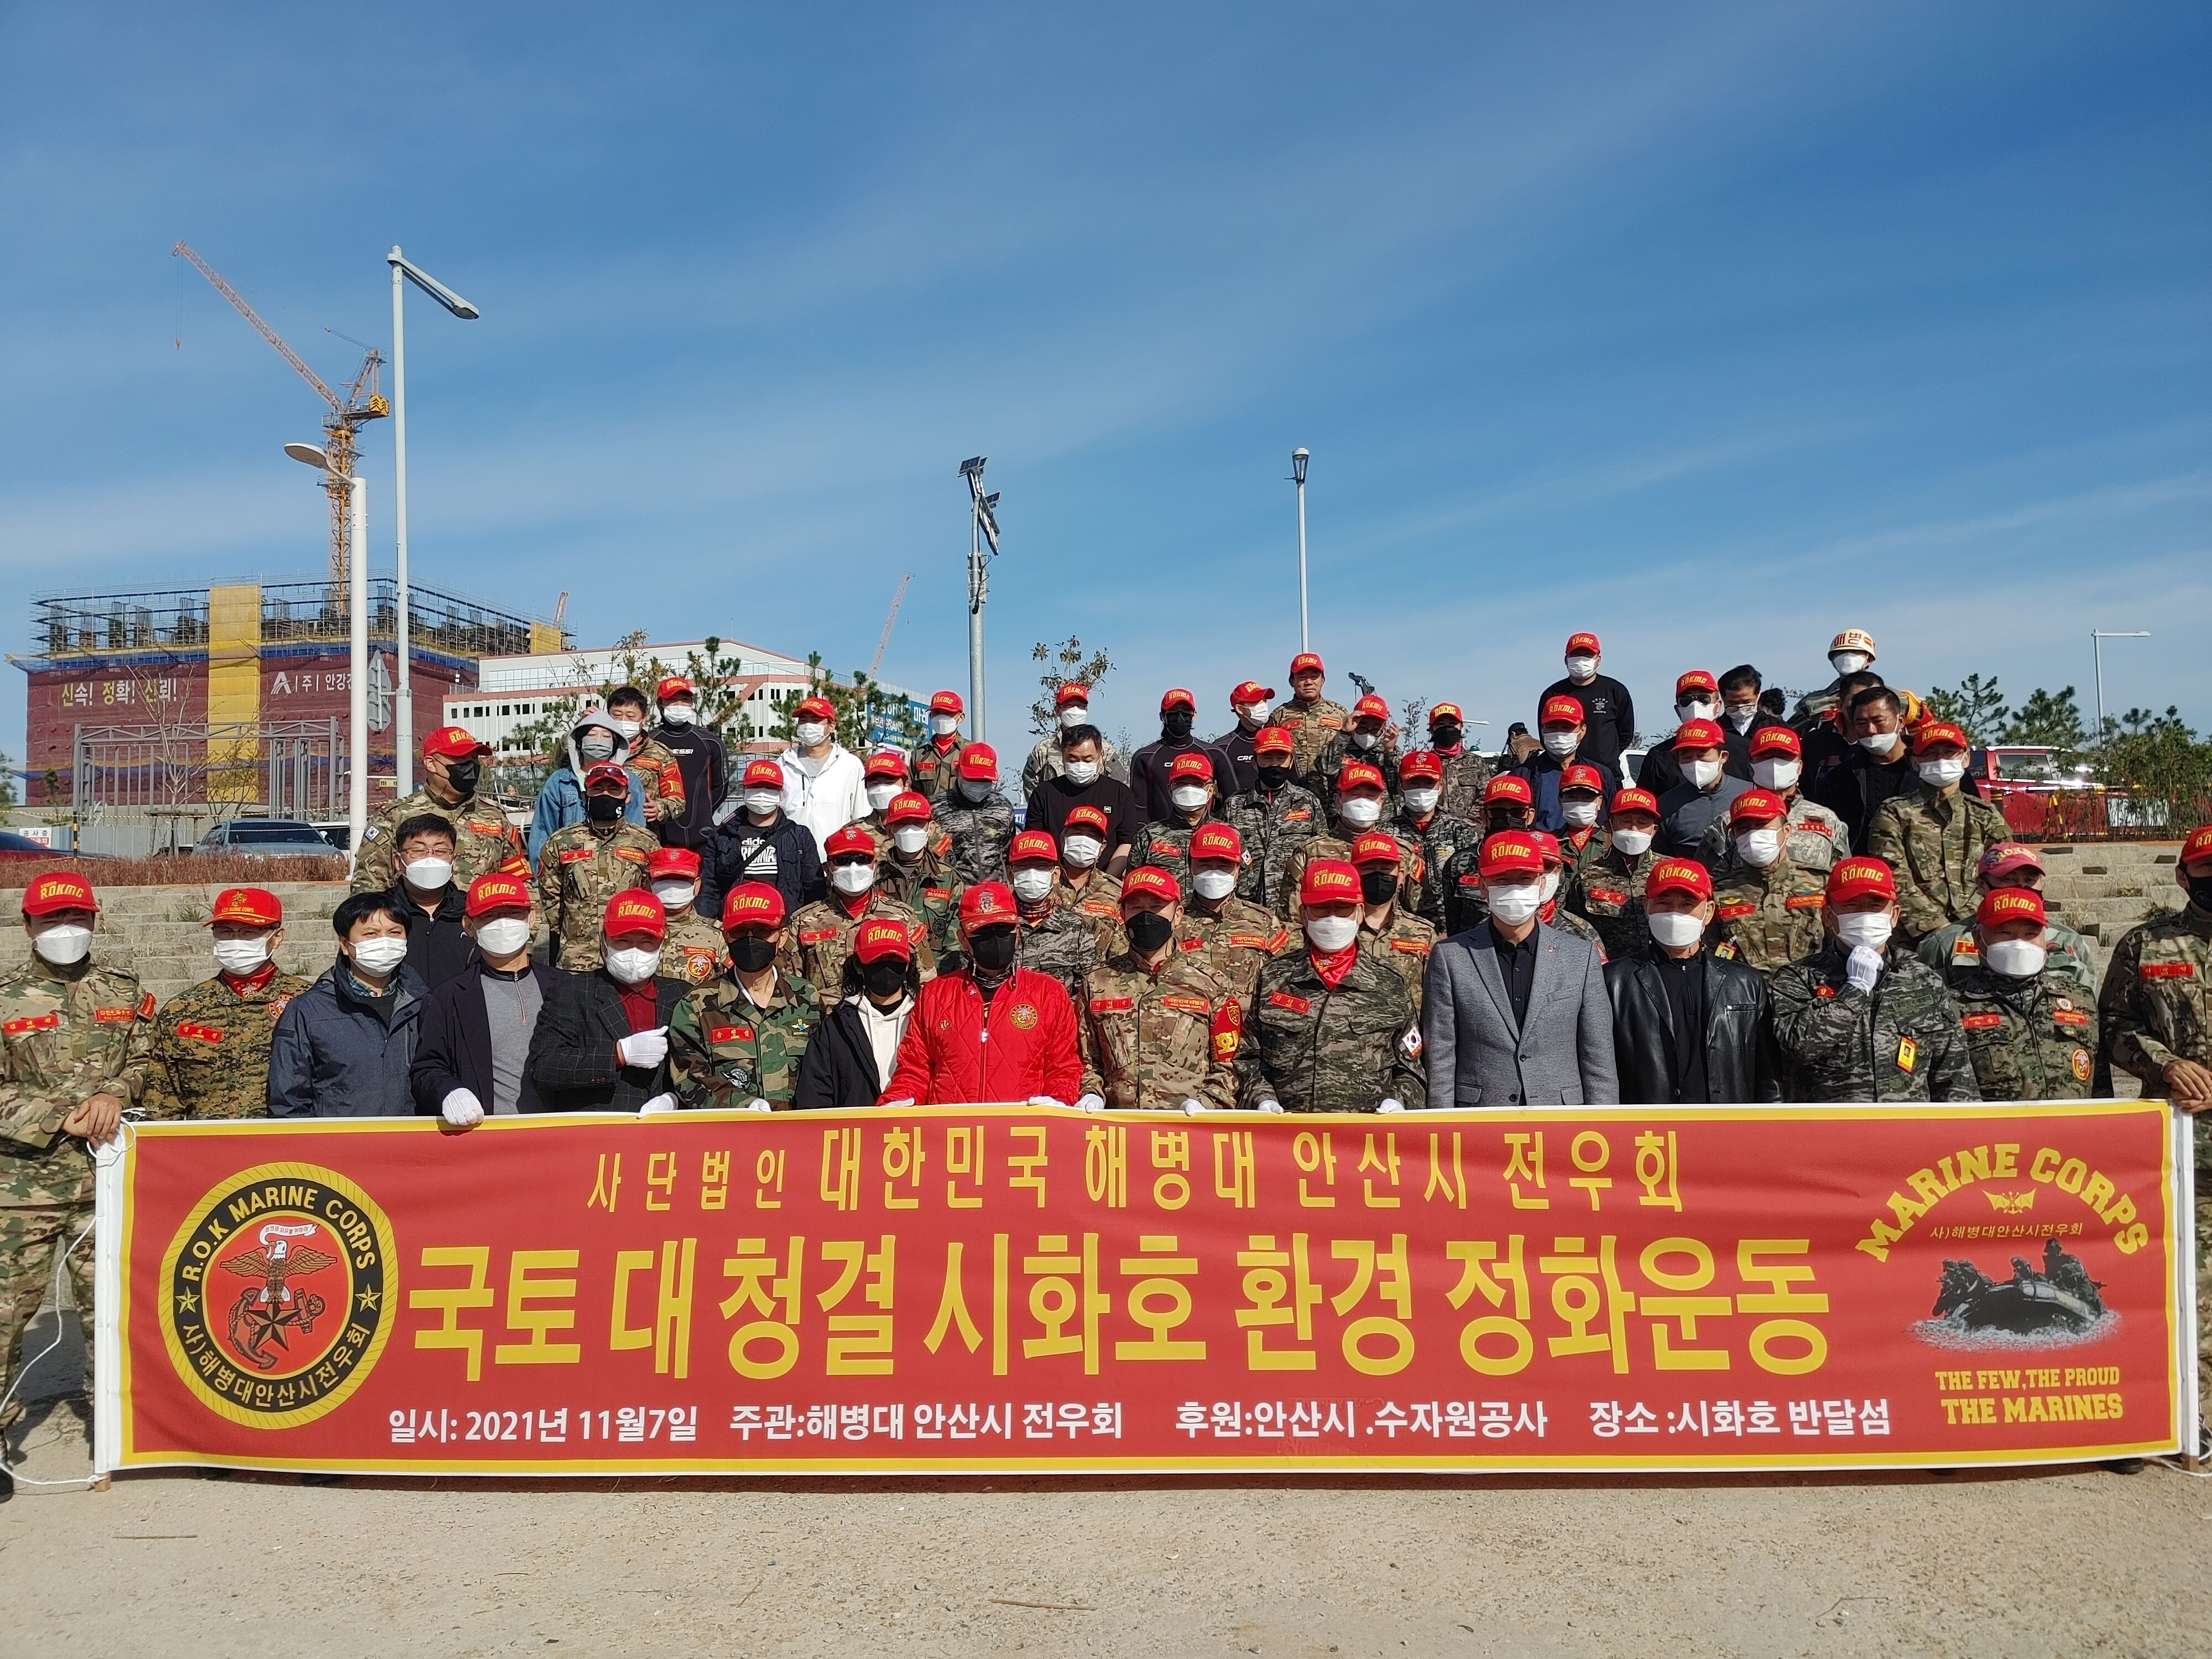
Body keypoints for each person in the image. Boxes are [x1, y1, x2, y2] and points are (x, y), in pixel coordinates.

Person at [0, 873, 150, 1467]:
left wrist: (116, 1092)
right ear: (28, 926)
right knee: (6, 1316)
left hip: (106, 1183)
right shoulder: (6, 996)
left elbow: (145, 1058)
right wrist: (58, 1116)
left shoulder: (122, 989)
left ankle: (117, 1428)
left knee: (114, 1312)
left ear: (95, 919)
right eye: (52, 919)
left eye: (77, 918)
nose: (66, 929)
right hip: (24, 1188)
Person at [2098, 822, 2212, 1448]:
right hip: (2183, 1146)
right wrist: (2164, 1065)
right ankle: (2191, 1416)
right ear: (2182, 877)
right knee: (2189, 1289)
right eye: (2207, 873)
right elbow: (2113, 1026)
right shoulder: (2145, 944)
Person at [1421, 831, 1619, 1107]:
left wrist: (1602, 1119)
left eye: (1524, 879)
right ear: (1482, 887)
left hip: (1560, 1115)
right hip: (1481, 1115)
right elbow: (1440, 1054)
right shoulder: (1451, 957)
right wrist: (1442, 1122)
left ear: (1541, 884)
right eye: (1501, 880)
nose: (1514, 889)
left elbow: (1598, 1056)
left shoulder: (1580, 956)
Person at [1768, 857, 1978, 1103]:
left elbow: (1955, 1078)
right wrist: (1854, 990)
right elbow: (1799, 1046)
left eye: (1875, 905)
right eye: (1852, 905)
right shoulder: (1799, 978)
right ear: (1827, 916)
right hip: (1830, 1125)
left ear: (1894, 916)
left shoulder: (1924, 980)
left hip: (1906, 1124)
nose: (1865, 915)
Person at [1240, 859, 1425, 1113]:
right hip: (1287, 1131)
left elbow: (1411, 1069)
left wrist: (1399, 1101)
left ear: (1360, 912)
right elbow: (1248, 1058)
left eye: (1343, 908)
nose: (1332, 917)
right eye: (1321, 908)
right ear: (1304, 914)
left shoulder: (1390, 982)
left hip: (1367, 1132)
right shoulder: (1274, 978)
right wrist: (1262, 1099)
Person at [881, 882, 1084, 1107]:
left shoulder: (1049, 994)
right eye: (982, 932)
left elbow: (1064, 1067)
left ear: (1017, 932)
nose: (995, 939)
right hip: (951, 1127)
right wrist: (898, 1101)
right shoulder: (935, 995)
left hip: (1022, 1125)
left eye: (1003, 929)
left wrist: (1059, 1102)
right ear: (963, 939)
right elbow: (915, 1068)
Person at [1604, 857, 1783, 1103]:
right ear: (1647, 907)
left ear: (1708, 912)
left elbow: (1768, 1076)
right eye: (1664, 903)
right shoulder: (1614, 981)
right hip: (1650, 1124)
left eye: (1687, 904)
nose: (1675, 914)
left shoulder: (1745, 983)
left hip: (1724, 1121)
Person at [1076, 867, 1243, 1112]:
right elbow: (1087, 1060)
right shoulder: (1097, 983)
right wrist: (1092, 1094)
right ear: (1122, 915)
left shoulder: (1211, 985)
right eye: (1136, 908)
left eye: (1156, 907)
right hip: (1118, 1125)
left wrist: (1205, 1102)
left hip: (1187, 1126)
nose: (1146, 917)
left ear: (1178, 915)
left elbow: (1230, 1064)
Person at [142, 885, 309, 1120]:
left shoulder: (309, 1003)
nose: (235, 941)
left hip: (283, 1141)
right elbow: (163, 1104)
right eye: (225, 932)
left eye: (249, 932)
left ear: (277, 937)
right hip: (208, 1141)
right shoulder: (182, 1010)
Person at [410, 873, 559, 1124]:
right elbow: (427, 1068)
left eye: (513, 913)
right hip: (485, 1136)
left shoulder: (565, 987)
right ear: (469, 926)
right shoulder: (448, 998)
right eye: (489, 916)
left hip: (561, 1134)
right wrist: (448, 1090)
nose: (503, 924)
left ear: (531, 918)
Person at [269, 890, 428, 1117]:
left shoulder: (424, 1004)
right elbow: (288, 1101)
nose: (384, 942)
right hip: (339, 1137)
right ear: (345, 944)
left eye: (394, 933)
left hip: (411, 1136)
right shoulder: (308, 1010)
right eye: (371, 934)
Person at [529, 891, 689, 1113]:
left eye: (646, 942)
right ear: (605, 940)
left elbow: (699, 1065)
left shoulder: (682, 995)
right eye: (622, 941)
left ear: (663, 942)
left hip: (668, 1129)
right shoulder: (572, 992)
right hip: (597, 1128)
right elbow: (545, 1068)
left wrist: (674, 1099)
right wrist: (619, 1054)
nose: (634, 952)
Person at [667, 883, 822, 1110]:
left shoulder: (808, 998)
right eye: (740, 931)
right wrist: (743, 1105)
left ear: (782, 937)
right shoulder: (697, 1005)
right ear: (726, 937)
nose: (750, 940)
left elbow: (826, 1073)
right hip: (732, 1128)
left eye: (762, 931)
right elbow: (690, 1075)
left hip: (797, 1127)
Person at [1865, 720, 2010, 944]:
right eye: (1931, 754)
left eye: (1949, 752)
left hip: (1978, 933)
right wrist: (1938, 928)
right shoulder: (1894, 813)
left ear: (1966, 759)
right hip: (1913, 939)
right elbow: (1892, 876)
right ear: (1915, 763)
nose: (1941, 760)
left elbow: (2003, 872)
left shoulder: (1986, 815)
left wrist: (1971, 925)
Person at [1950, 889, 2099, 1101]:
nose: (2020, 943)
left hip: (2072, 1122)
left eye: (2031, 934)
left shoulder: (2080, 999)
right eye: (2005, 933)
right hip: (1996, 1124)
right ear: (1978, 939)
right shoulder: (1954, 1005)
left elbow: (2099, 1088)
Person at [352, 724, 528, 894]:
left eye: (474, 759)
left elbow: (520, 882)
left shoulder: (494, 816)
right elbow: (368, 887)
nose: (470, 766)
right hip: (415, 914)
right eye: (461, 759)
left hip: (477, 914)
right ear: (431, 764)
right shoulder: (394, 817)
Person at [1917, 842, 2098, 998]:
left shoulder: (2069, 941)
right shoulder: (1945, 944)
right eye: (2009, 879)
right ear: (1982, 885)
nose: (2021, 887)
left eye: (2030, 879)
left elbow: (2091, 1006)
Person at [536, 761, 659, 969]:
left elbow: (653, 898)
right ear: (585, 796)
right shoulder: (561, 841)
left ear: (628, 797)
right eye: (597, 789)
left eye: (614, 789)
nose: (605, 795)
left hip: (629, 958)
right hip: (577, 959)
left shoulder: (646, 843)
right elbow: (551, 901)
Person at [787, 824, 933, 992]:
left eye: (862, 859)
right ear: (827, 869)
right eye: (843, 861)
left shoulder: (903, 917)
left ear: (875, 865)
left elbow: (926, 981)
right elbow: (789, 986)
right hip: (825, 1008)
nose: (853, 868)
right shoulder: (803, 922)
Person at [792, 917, 920, 1108]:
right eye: (877, 960)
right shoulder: (835, 1028)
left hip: (917, 1127)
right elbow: (813, 1100)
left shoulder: (926, 1019)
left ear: (908, 964)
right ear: (859, 966)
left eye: (895, 960)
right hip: (853, 1128)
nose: (886, 967)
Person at [1708, 789, 1830, 977]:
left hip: (1808, 991)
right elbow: (1711, 956)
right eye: (1743, 829)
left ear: (1787, 831)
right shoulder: (1720, 891)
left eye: (1761, 825)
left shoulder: (1821, 882)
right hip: (1746, 991)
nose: (1752, 835)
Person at [1699, 723, 1847, 874]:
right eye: (1766, 757)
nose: (1775, 764)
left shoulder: (1828, 819)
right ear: (1751, 768)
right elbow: (1708, 880)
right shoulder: (1730, 822)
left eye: (1784, 757)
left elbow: (1842, 877)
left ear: (1800, 767)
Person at [1279, 759, 1417, 917]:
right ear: (1338, 800)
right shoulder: (1310, 852)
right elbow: (1290, 917)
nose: (1363, 801)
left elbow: (1420, 911)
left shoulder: (1401, 853)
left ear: (1381, 803)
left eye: (1371, 795)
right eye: (1355, 794)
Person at [698, 757, 825, 922]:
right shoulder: (723, 835)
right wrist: (705, 925)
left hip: (783, 924)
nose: (762, 793)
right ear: (745, 790)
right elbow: (710, 888)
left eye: (770, 788)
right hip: (736, 924)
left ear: (781, 793)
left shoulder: (799, 836)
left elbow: (814, 890)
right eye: (756, 787)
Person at [1175, 821, 1287, 997]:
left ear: (1238, 870)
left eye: (1224, 865)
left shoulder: (1264, 921)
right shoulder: (1174, 921)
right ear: (1190, 867)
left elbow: (1283, 978)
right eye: (1204, 864)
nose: (1214, 872)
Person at [1223, 724, 1324, 917]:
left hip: (1295, 908)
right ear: (1254, 762)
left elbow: (1321, 854)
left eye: (1281, 757)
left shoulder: (1308, 802)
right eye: (1267, 757)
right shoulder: (1235, 805)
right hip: (1247, 909)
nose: (1274, 764)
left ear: (1291, 761)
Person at [1808, 685, 1921, 853]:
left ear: (1900, 721)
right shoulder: (1842, 777)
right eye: (1861, 723)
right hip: (1860, 867)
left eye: (1878, 721)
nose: (1871, 730)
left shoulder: (1927, 769)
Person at [528, 707, 648, 863]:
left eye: (606, 736)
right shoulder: (559, 781)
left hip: (619, 867)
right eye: (592, 735)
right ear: (579, 741)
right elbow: (543, 830)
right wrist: (541, 871)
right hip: (570, 865)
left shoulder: (630, 780)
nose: (598, 740)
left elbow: (637, 830)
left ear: (615, 745)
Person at [1025, 724, 1142, 873]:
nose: (1080, 766)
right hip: (1055, 878)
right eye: (1073, 760)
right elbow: (1035, 841)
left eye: (1088, 760)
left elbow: (1127, 842)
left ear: (1101, 756)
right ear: (1063, 757)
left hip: (1107, 878)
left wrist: (1108, 880)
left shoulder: (1120, 794)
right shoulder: (1044, 793)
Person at [1005, 829, 1104, 997]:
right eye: (1023, 865)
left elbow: (1088, 990)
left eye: (1041, 866)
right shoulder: (998, 925)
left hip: (1060, 1013)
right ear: (1010, 874)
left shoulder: (1075, 928)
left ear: (1056, 875)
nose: (1032, 873)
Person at [1351, 831, 1438, 1016]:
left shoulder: (1423, 933)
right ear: (1353, 874)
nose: (1377, 875)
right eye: (1368, 868)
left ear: (1400, 877)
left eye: (1385, 869)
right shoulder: (1337, 930)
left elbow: (1437, 999)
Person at [383, 814, 473, 990]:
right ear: (398, 861)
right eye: (418, 850)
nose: (430, 858)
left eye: (441, 851)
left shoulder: (472, 912)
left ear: (453, 860)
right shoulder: (380, 913)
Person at [1442, 773, 1541, 935]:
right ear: (1484, 816)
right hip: (1473, 947)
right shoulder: (1459, 863)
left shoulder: (1544, 860)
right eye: (1498, 812)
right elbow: (1453, 923)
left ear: (1530, 816)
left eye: (1517, 812)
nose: (1508, 818)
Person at [876, 791, 964, 971]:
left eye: (917, 823)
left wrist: (933, 978)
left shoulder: (949, 879)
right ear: (890, 830)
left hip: (935, 977)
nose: (910, 831)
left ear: (930, 829)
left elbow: (954, 944)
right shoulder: (873, 877)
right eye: (902, 824)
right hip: (885, 977)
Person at [1392, 749, 1478, 929]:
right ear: (1400, 787)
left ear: (1441, 786)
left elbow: (1473, 892)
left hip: (1456, 932)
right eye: (1413, 783)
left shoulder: (1463, 831)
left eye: (1429, 783)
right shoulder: (1385, 834)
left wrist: (1456, 932)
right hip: (1402, 932)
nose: (1421, 790)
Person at [1574, 786, 1662, 960]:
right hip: (1609, 970)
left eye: (1643, 823)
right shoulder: (1587, 877)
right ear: (1609, 826)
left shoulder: (1668, 871)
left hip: (1659, 969)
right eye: (1626, 821)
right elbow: (1575, 930)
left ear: (1654, 831)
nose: (1634, 829)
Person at [778, 693, 869, 857]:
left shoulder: (849, 765)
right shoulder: (783, 764)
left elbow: (861, 816)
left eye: (815, 720)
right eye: (803, 721)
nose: (808, 726)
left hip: (834, 858)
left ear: (831, 726)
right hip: (790, 857)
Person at [1130, 688, 1236, 825]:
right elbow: (1139, 809)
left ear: (1194, 715)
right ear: (1162, 716)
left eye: (1186, 711)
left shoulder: (1214, 754)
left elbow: (1232, 802)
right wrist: (1146, 836)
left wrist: (1220, 829)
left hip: (1208, 834)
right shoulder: (1145, 757)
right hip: (1159, 835)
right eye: (1174, 711)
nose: (1180, 716)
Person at [1515, 694, 1618, 832]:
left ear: (1582, 730)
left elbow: (1613, 821)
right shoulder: (1522, 775)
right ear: (1542, 730)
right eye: (1552, 727)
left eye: (1566, 727)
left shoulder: (1602, 774)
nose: (1559, 734)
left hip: (1591, 845)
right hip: (1539, 844)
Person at [649, 675, 728, 851]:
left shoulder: (710, 742)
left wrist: (703, 811)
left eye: (685, 700)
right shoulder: (650, 742)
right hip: (660, 836)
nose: (679, 705)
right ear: (660, 704)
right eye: (672, 700)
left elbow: (721, 787)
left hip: (701, 834)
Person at [1539, 631, 1636, 775]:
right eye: (1576, 654)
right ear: (1566, 659)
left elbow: (1626, 734)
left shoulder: (1616, 691)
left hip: (1606, 774)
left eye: (1587, 655)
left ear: (1598, 660)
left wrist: (1606, 758)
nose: (1581, 659)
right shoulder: (1552, 694)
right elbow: (1545, 734)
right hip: (1561, 775)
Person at [1126, 750, 1228, 884]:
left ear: (1210, 791)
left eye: (1198, 783)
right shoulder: (1147, 836)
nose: (1189, 789)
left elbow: (1243, 887)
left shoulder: (1229, 835)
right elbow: (1133, 885)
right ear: (1170, 790)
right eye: (1181, 783)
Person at [1655, 718, 1749, 861]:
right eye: (1686, 755)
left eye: (1702, 754)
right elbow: (1661, 857)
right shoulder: (1666, 805)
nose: (1695, 762)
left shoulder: (1750, 794)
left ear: (1723, 757)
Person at [607, 684, 687, 832]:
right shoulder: (597, 748)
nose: (623, 720)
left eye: (631, 716)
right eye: (617, 715)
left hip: (642, 835)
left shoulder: (660, 754)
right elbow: (567, 762)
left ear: (643, 719)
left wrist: (659, 808)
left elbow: (677, 800)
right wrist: (584, 728)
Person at [1023, 682, 1126, 796]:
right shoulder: (1043, 750)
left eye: (1080, 706)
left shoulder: (1104, 748)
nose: (1076, 710)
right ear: (1058, 710)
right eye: (1070, 705)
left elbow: (1121, 786)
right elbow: (1031, 787)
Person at [1047, 803, 1126, 948]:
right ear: (1063, 839)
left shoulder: (1116, 892)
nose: (1083, 841)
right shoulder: (1042, 881)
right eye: (1077, 833)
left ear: (1102, 847)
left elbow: (1120, 948)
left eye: (1092, 835)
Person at [938, 742, 1016, 885]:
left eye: (985, 780)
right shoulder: (936, 808)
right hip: (955, 893)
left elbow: (1010, 856)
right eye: (973, 779)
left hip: (997, 893)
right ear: (957, 771)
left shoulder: (1003, 807)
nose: (979, 785)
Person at [648, 846, 728, 987]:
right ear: (650, 884)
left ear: (697, 886)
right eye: (664, 879)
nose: (672, 887)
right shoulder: (634, 931)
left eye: (681, 879)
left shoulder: (720, 935)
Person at [1636, 672, 1722, 799]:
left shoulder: (1740, 748)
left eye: (1704, 699)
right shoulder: (1659, 756)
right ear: (1678, 710)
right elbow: (1646, 803)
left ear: (1718, 706)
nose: (1695, 705)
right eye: (1686, 701)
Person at [1799, 666, 1887, 786]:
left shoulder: (1896, 744)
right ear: (1840, 705)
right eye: (1857, 702)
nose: (1865, 708)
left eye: (1873, 701)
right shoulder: (1813, 743)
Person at [1308, 693, 1400, 806]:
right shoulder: (1340, 745)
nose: (1368, 733)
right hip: (1343, 813)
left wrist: (1389, 752)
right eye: (1363, 727)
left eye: (1376, 729)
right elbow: (1326, 769)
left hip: (1380, 815)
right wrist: (1344, 733)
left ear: (1384, 727)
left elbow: (1397, 788)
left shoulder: (1389, 751)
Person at [1271, 651, 1349, 784]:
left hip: (1331, 791)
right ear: (1292, 681)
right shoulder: (1279, 716)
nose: (1309, 682)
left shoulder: (1339, 713)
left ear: (1323, 680)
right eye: (1302, 677)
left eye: (1314, 677)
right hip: (1293, 792)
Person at [1790, 627, 1879, 732]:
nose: (1847, 657)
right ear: (1833, 658)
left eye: (1855, 652)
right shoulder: (1813, 702)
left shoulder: (1891, 698)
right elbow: (1789, 733)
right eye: (1841, 652)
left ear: (1869, 659)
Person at [1551, 762, 1611, 913]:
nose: (1579, 804)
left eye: (1587, 798)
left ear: (1599, 802)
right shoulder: (1548, 844)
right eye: (1571, 797)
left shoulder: (1613, 843)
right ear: (1560, 801)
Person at [1426, 701, 1493, 823]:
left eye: (1452, 723)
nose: (1447, 728)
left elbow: (1485, 797)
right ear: (1431, 729)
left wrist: (1466, 824)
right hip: (1432, 829)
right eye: (1441, 724)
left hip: (1471, 829)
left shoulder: (1476, 762)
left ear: (1461, 726)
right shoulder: (1425, 763)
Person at [1209, 679, 1277, 795]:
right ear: (1240, 709)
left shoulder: (1277, 742)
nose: (1263, 707)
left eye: (1264, 701)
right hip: (1233, 806)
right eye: (1256, 702)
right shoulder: (1222, 748)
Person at [909, 690, 969, 801]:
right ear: (930, 715)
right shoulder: (919, 755)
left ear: (961, 718)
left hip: (961, 812)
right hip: (929, 811)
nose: (941, 718)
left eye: (948, 713)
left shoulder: (970, 752)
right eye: (937, 712)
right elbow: (912, 793)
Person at [855, 749, 917, 850]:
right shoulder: (855, 833)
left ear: (906, 786)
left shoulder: (922, 827)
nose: (881, 789)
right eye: (875, 783)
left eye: (889, 782)